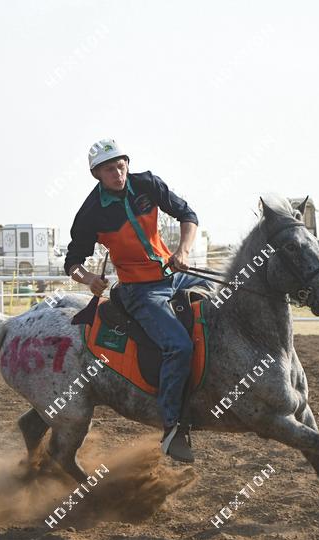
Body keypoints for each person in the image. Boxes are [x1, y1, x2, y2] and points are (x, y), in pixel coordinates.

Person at [64, 139, 207, 463]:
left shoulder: (148, 184)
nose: (117, 173)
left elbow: (187, 214)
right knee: (178, 346)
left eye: (120, 165)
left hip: (174, 274)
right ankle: (172, 426)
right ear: (97, 174)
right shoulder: (90, 212)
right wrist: (89, 280)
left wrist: (182, 251)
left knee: (227, 299)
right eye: (109, 169)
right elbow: (72, 260)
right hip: (139, 291)